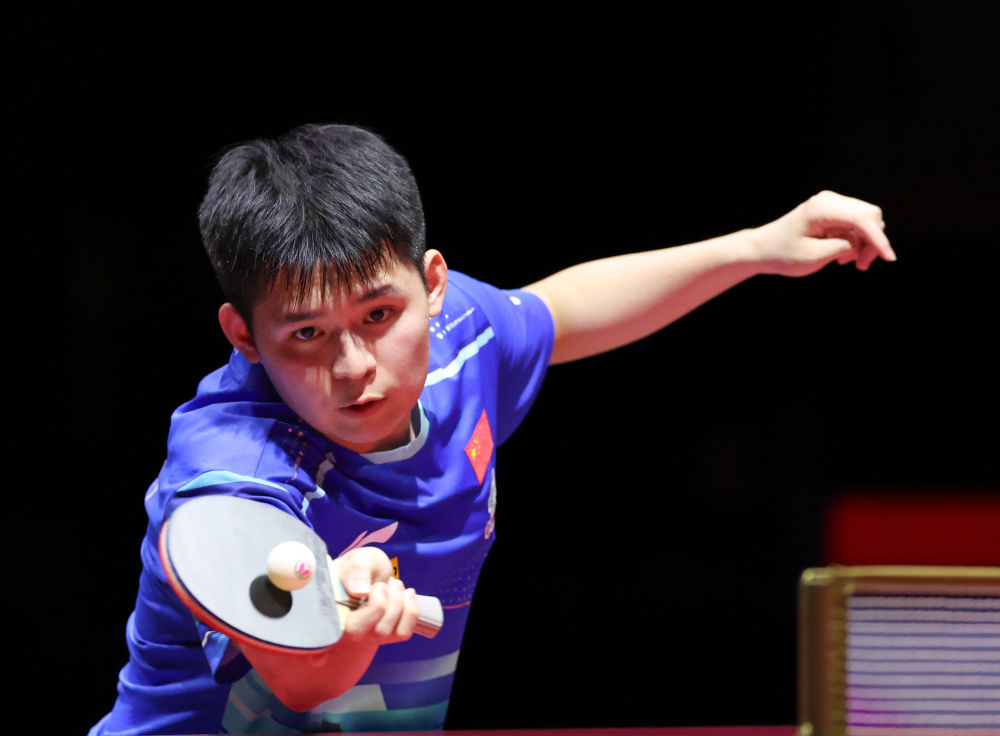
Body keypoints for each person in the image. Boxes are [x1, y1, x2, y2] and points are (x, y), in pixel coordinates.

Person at [89, 123, 894, 735]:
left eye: (378, 315)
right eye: (306, 333)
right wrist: (353, 630)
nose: (354, 365)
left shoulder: (460, 341)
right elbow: (303, 681)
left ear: (432, 284)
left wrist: (758, 247)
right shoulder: (233, 466)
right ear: (242, 335)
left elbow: (561, 312)